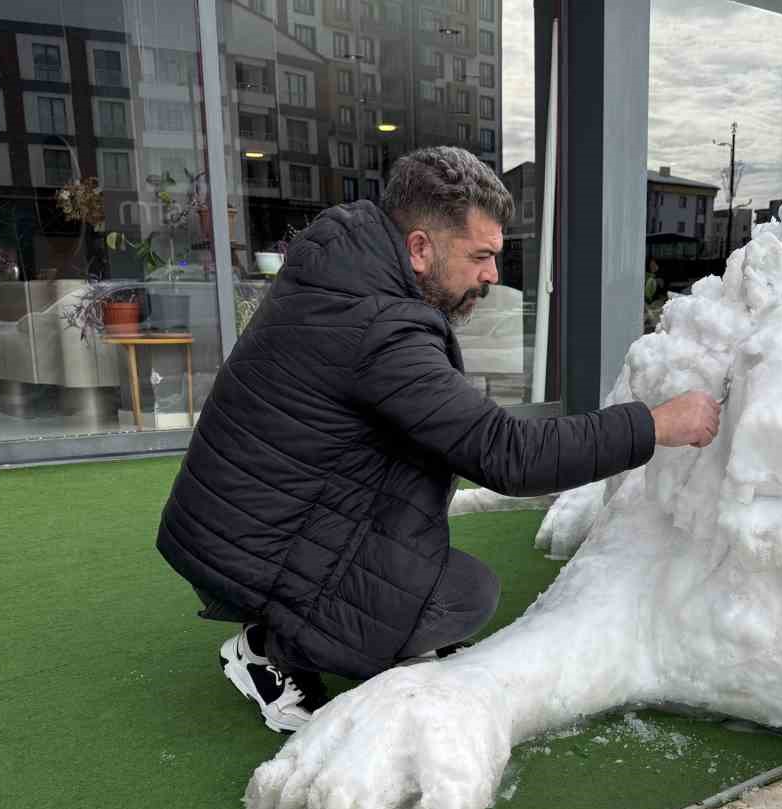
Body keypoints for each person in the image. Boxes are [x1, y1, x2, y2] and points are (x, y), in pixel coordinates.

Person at [157, 147, 721, 733]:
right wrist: (656, 424)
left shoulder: (339, 271)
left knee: (415, 534)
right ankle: (269, 654)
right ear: (420, 249)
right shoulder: (380, 326)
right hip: (251, 543)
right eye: (480, 256)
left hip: (233, 523)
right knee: (461, 594)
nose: (493, 276)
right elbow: (506, 454)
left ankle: (288, 618)